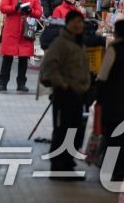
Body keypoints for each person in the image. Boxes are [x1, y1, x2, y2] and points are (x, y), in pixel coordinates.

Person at [39, 11, 90, 178]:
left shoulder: (79, 43)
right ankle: (58, 167)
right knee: (62, 130)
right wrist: (62, 84)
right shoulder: (60, 43)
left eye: (81, 22)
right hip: (64, 95)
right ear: (67, 23)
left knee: (74, 131)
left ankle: (68, 164)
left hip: (77, 94)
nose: (78, 25)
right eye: (75, 22)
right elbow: (48, 67)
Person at [96, 20, 124, 181]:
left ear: (117, 33)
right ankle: (121, 171)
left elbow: (103, 75)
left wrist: (98, 98)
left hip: (113, 100)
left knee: (112, 137)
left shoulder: (114, 49)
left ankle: (109, 171)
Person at [0, 0, 43, 93]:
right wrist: (14, 8)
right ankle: (2, 83)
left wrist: (30, 10)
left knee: (24, 58)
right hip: (11, 30)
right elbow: (2, 7)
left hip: (26, 30)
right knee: (7, 57)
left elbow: (39, 13)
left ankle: (21, 83)